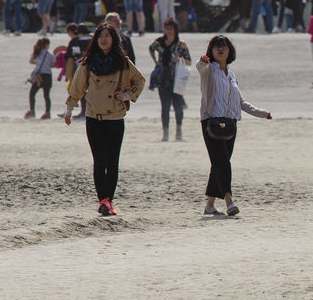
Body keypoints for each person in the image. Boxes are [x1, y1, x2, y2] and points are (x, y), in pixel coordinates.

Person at [63, 21, 146, 216]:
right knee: (99, 161)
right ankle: (103, 200)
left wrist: (126, 95)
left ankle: (109, 200)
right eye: (100, 36)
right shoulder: (88, 62)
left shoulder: (123, 62)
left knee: (112, 161)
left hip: (115, 118)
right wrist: (69, 109)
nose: (103, 39)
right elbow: (77, 87)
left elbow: (140, 80)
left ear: (113, 39)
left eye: (107, 36)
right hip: (94, 118)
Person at [197, 34, 271, 217]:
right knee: (223, 164)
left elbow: (240, 101)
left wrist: (261, 113)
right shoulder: (208, 70)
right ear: (211, 51)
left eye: (224, 46)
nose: (220, 49)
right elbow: (200, 68)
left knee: (218, 165)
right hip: (211, 122)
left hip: (230, 124)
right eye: (217, 46)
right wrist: (201, 62)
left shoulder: (231, 75)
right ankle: (229, 201)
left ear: (230, 50)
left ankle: (209, 205)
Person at [149, 19, 192, 140]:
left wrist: (180, 60)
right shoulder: (159, 42)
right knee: (165, 106)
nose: (169, 30)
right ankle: (165, 132)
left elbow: (189, 61)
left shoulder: (181, 44)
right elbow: (151, 48)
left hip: (177, 79)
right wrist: (156, 61)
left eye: (171, 28)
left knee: (178, 106)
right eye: (166, 28)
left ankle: (179, 130)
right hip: (163, 79)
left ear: (175, 29)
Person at [26, 37, 56, 119]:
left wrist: (37, 63)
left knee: (32, 93)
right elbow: (53, 65)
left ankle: (32, 111)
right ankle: (47, 112)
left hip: (38, 76)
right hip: (47, 75)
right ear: (47, 45)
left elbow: (31, 61)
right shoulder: (50, 54)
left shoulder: (36, 52)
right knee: (46, 95)